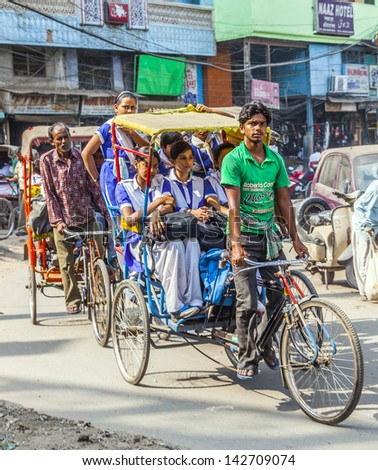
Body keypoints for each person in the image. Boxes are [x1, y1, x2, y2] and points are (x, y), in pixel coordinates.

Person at [221, 102, 308, 380]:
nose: (258, 129)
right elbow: (233, 205)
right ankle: (246, 357)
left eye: (262, 124)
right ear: (242, 128)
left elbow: (284, 200)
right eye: (252, 124)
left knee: (277, 297)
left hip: (269, 236)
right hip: (243, 236)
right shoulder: (233, 160)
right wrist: (235, 244)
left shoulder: (275, 159)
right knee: (247, 302)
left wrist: (296, 239)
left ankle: (265, 342)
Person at [115, 147, 203, 319]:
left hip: (163, 233)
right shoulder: (123, 187)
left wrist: (157, 213)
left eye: (155, 166)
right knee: (174, 248)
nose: (152, 171)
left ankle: (195, 301)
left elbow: (170, 205)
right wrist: (157, 204)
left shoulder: (162, 181)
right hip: (140, 241)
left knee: (193, 244)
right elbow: (130, 218)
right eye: (147, 166)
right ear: (136, 164)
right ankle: (174, 306)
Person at [40, 122, 109, 315]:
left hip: (86, 215)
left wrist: (105, 213)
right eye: (59, 138)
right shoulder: (46, 161)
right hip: (63, 221)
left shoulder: (81, 156)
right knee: (66, 262)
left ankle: (101, 290)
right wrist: (58, 221)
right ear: (52, 141)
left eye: (66, 137)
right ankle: (73, 299)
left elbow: (94, 188)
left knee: (99, 254)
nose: (64, 141)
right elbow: (50, 195)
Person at [82, 91, 149, 207]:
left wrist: (132, 133)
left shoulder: (137, 128)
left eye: (133, 108)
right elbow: (86, 153)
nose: (129, 111)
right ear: (116, 107)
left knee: (135, 208)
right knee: (117, 210)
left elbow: (148, 149)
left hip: (133, 172)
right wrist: (96, 179)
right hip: (112, 174)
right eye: (126, 107)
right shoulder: (107, 127)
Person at [352, 175, 378, 300]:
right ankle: (367, 291)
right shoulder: (376, 187)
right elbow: (358, 206)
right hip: (365, 226)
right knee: (366, 259)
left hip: (375, 225)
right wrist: (367, 226)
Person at [205, 141, 235, 214]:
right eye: (224, 159)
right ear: (216, 163)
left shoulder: (247, 179)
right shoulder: (209, 182)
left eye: (233, 158)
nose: (229, 163)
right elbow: (215, 204)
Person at [6, 147, 26, 236]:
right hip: (21, 189)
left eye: (19, 156)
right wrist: (10, 180)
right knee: (22, 208)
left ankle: (23, 228)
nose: (18, 157)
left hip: (28, 188)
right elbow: (16, 177)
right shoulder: (18, 164)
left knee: (23, 209)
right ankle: (23, 227)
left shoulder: (28, 163)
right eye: (17, 156)